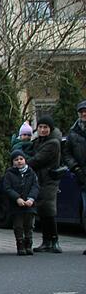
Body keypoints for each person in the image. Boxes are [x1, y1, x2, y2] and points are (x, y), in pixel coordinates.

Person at [28, 116, 62, 253]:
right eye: (40, 127)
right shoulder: (38, 141)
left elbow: (38, 159)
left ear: (50, 129)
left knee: (49, 209)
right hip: (40, 179)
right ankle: (46, 241)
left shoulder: (53, 143)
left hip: (49, 180)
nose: (42, 130)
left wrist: (24, 163)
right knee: (43, 210)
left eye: (45, 127)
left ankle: (54, 240)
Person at [3, 150, 39, 256]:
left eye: (21, 159)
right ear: (12, 162)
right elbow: (7, 188)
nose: (19, 161)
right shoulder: (9, 173)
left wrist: (31, 198)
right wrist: (17, 198)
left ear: (25, 160)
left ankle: (29, 244)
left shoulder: (31, 173)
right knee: (18, 226)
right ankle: (20, 244)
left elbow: (35, 186)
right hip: (16, 206)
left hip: (29, 205)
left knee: (29, 225)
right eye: (16, 160)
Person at [62, 100, 86, 255]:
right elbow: (67, 153)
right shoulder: (73, 133)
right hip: (82, 176)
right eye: (82, 111)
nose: (84, 114)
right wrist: (75, 167)